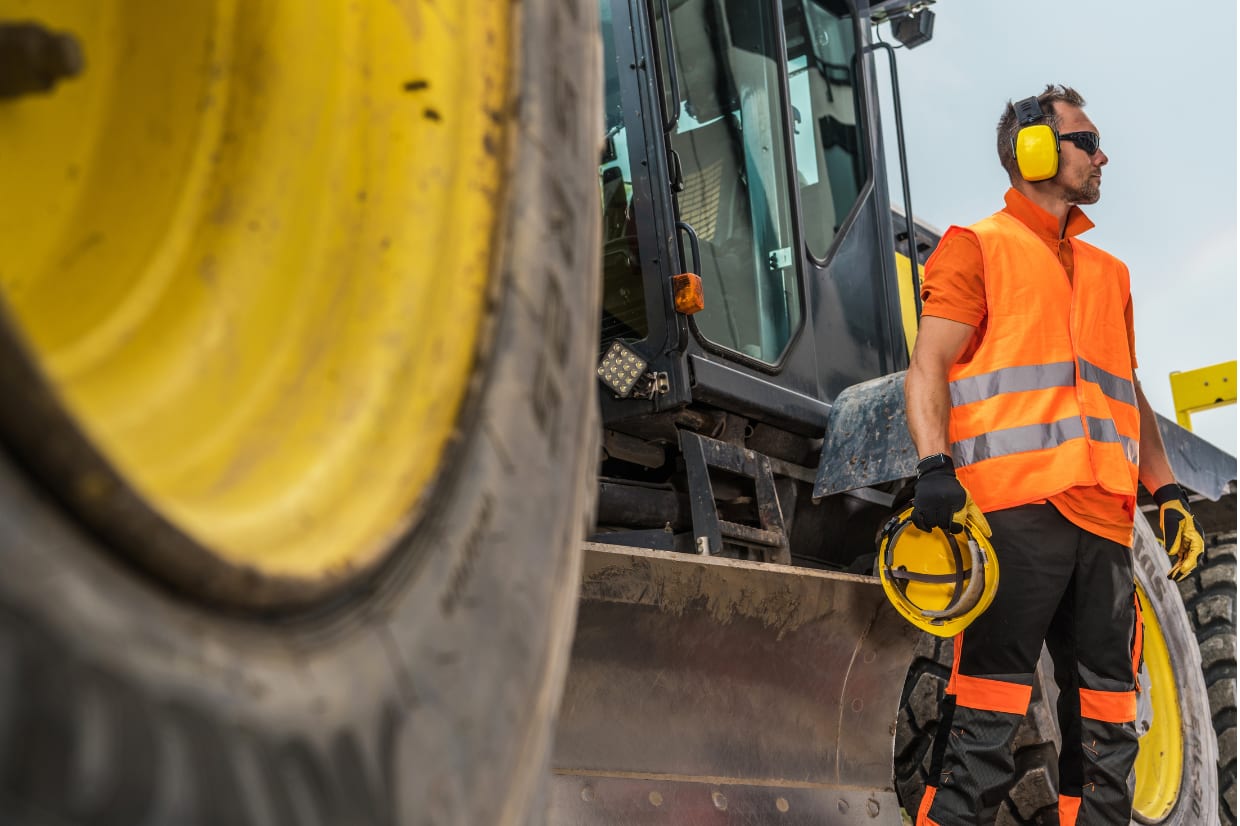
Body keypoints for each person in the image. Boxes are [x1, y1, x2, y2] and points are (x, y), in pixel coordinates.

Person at [903, 84, 1206, 826]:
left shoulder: (1111, 275)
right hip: (1015, 519)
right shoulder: (977, 247)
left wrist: (1166, 493)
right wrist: (934, 468)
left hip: (1104, 529)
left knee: (1109, 729)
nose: (1103, 155)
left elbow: (1126, 396)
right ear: (1034, 150)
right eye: (1087, 140)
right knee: (985, 726)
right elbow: (928, 366)